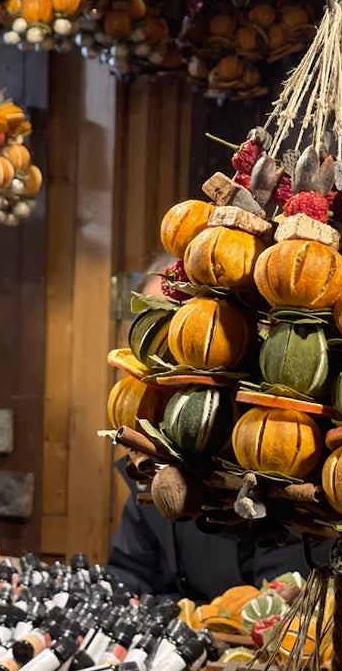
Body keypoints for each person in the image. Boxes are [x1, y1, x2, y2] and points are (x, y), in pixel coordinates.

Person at [106, 254, 328, 601]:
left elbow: (280, 600)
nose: (177, 348)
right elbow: (130, 575)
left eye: (189, 328)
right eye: (157, 331)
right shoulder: (147, 463)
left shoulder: (269, 447)